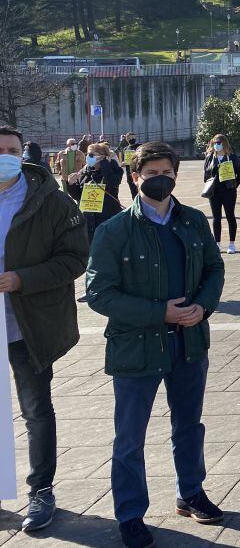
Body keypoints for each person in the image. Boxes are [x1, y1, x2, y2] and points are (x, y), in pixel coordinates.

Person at [85, 142, 226, 548]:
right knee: (129, 436)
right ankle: (130, 513)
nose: (160, 179)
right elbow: (98, 292)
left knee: (189, 425)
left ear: (176, 175)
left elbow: (214, 268)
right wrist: (157, 312)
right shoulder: (115, 230)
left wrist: (203, 305)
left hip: (189, 343)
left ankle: (191, 492)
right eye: (150, 173)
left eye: (166, 171)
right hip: (137, 347)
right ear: (135, 177)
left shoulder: (194, 221)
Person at [0, 125, 88, 533]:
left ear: (24, 153)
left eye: (11, 149)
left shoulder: (50, 200)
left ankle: (41, 491)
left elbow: (74, 260)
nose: (5, 155)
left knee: (36, 410)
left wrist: (22, 279)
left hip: (27, 327)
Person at [203, 134, 240, 254]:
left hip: (228, 192)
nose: (217, 145)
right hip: (214, 192)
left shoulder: (232, 157)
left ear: (224, 144)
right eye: (215, 142)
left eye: (219, 142)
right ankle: (217, 243)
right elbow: (205, 176)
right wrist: (213, 171)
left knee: (230, 216)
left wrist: (233, 185)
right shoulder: (210, 157)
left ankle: (232, 243)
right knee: (216, 217)